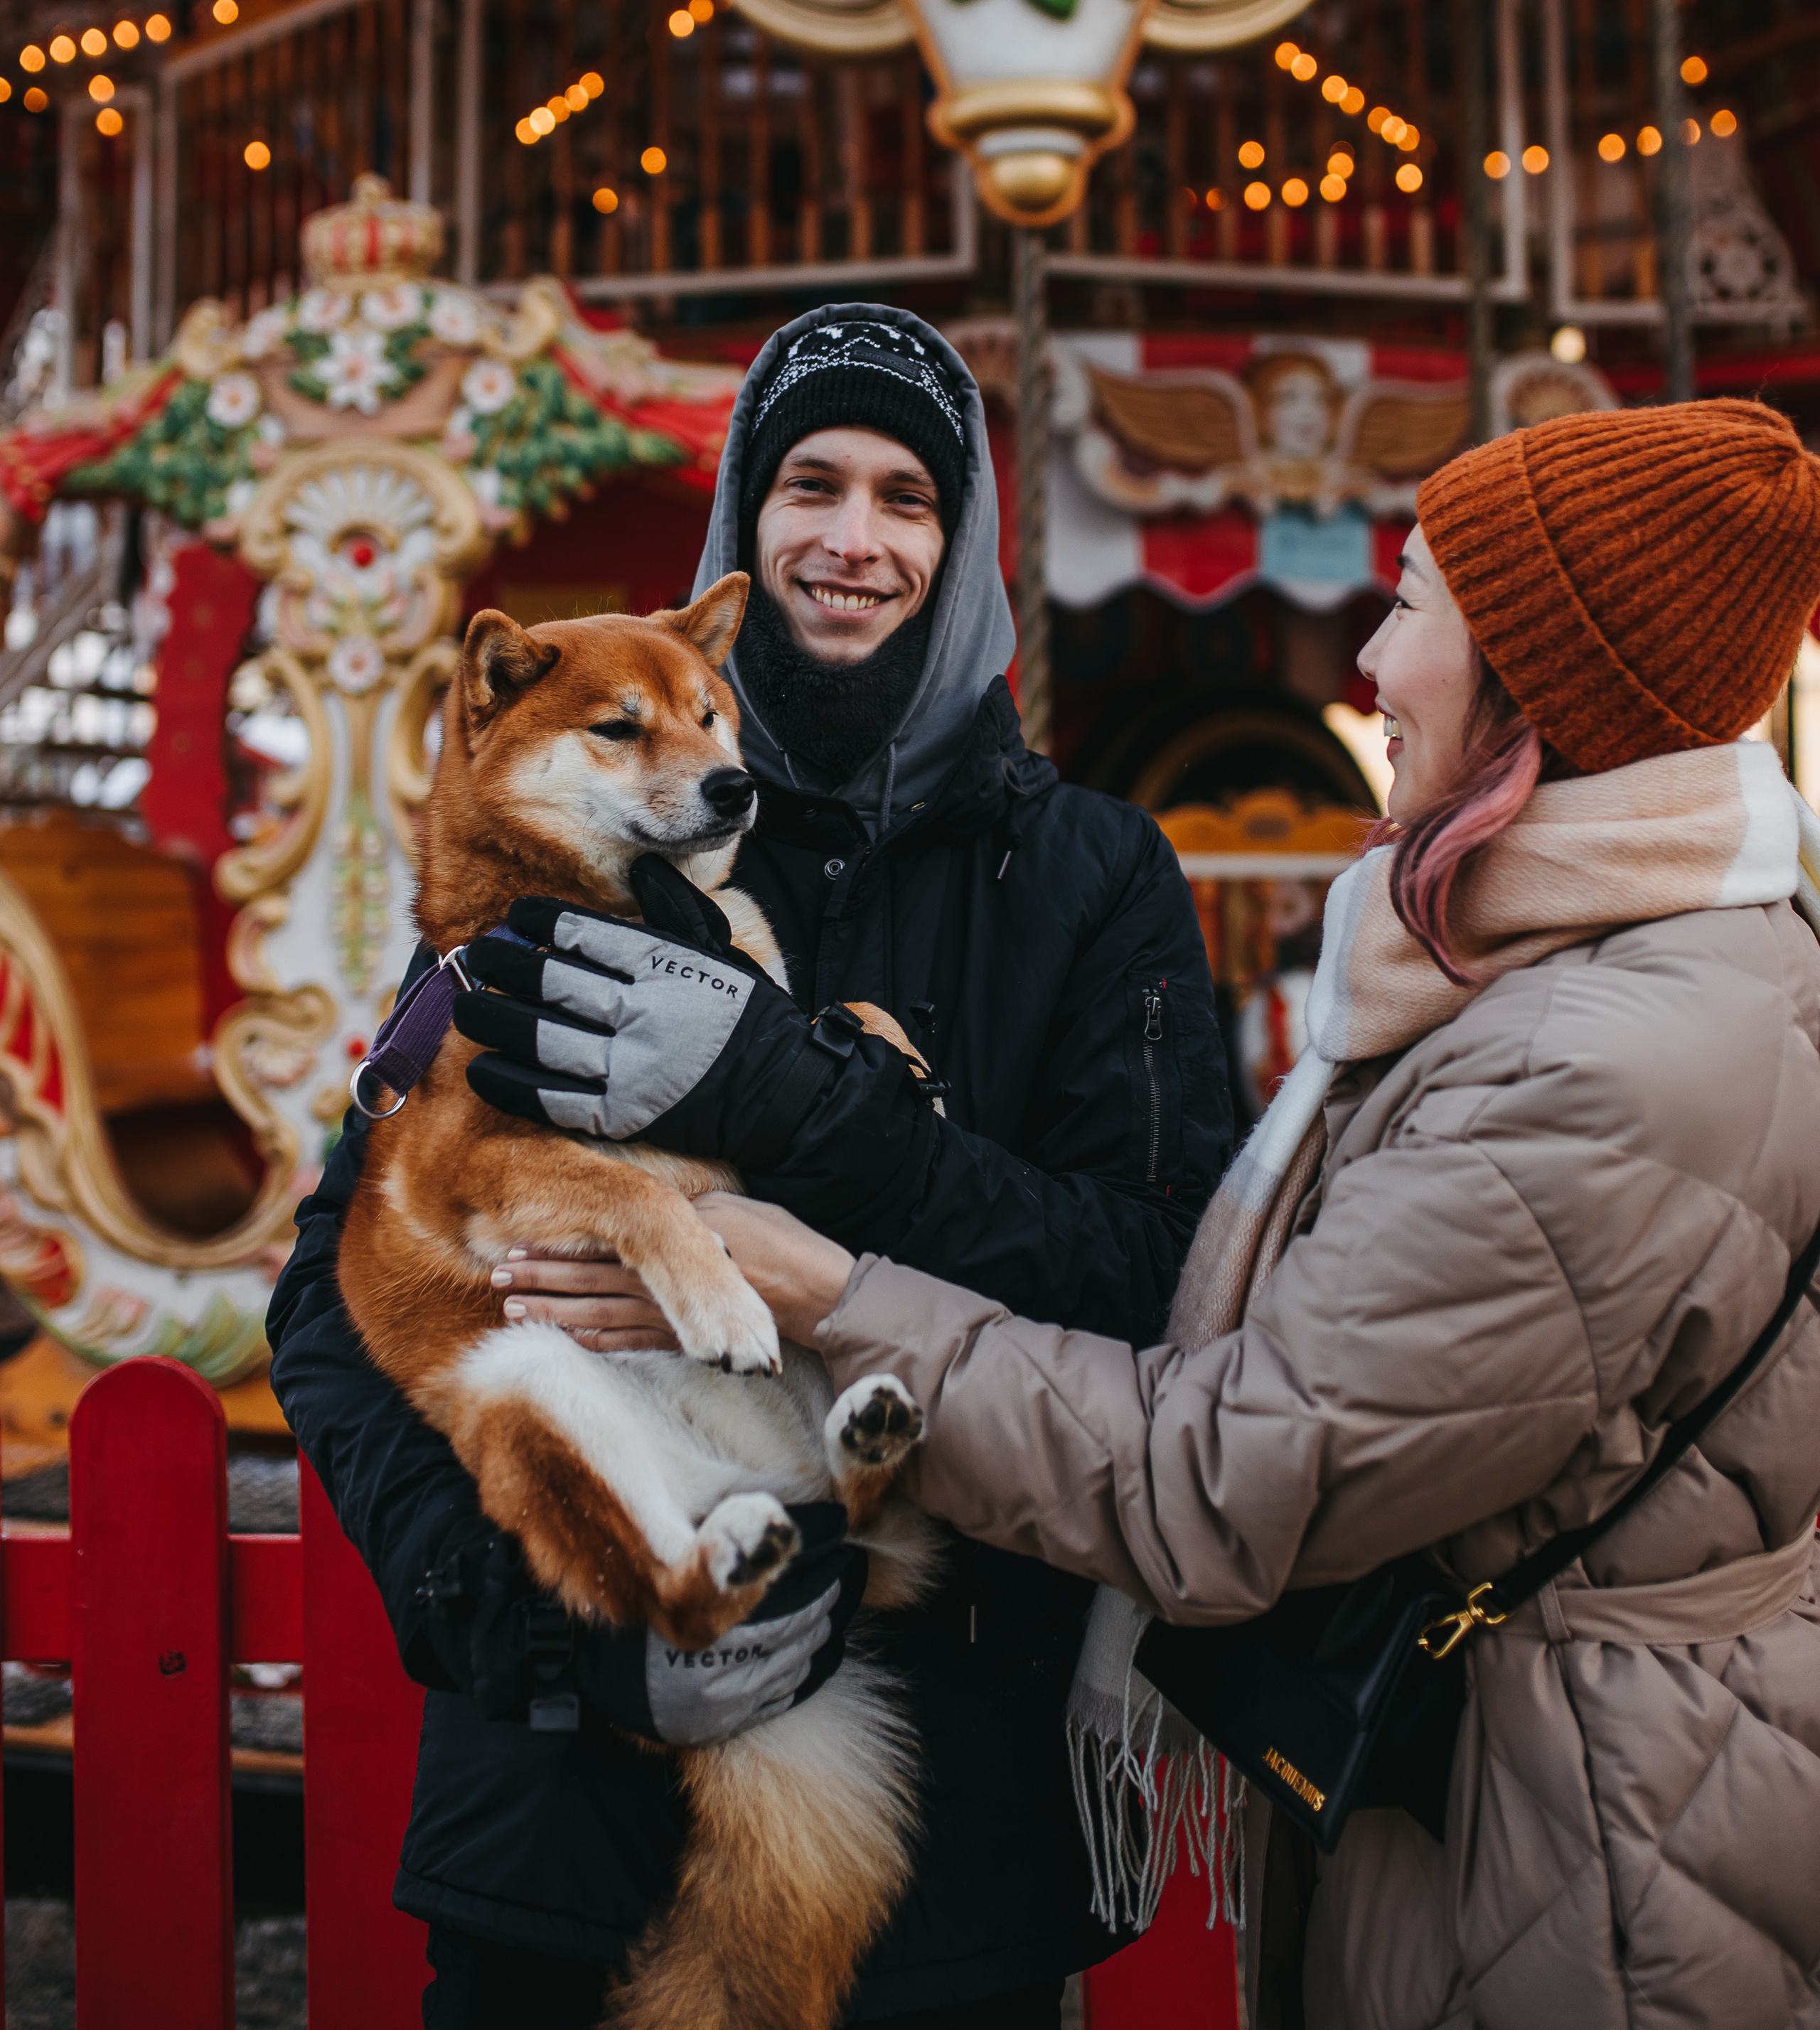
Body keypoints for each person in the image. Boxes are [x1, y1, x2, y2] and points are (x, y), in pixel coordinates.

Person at [699, 397, 1820, 2030]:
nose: (1370, 655)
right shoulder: (1665, 959)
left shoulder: (1595, 1067)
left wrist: (832, 1294)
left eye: (1418, 600)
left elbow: (1226, 1480)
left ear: (1534, 677)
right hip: (1609, 1762)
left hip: (1576, 1847)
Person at [267, 300, 1232, 2028]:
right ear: (742, 516)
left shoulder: (1088, 880)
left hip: (946, 1825)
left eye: (906, 497)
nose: (852, 540)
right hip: (555, 1814)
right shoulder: (555, 846)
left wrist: (822, 1128)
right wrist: (505, 1595)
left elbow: (1148, 1275)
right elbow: (335, 1282)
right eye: (809, 483)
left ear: (963, 542)